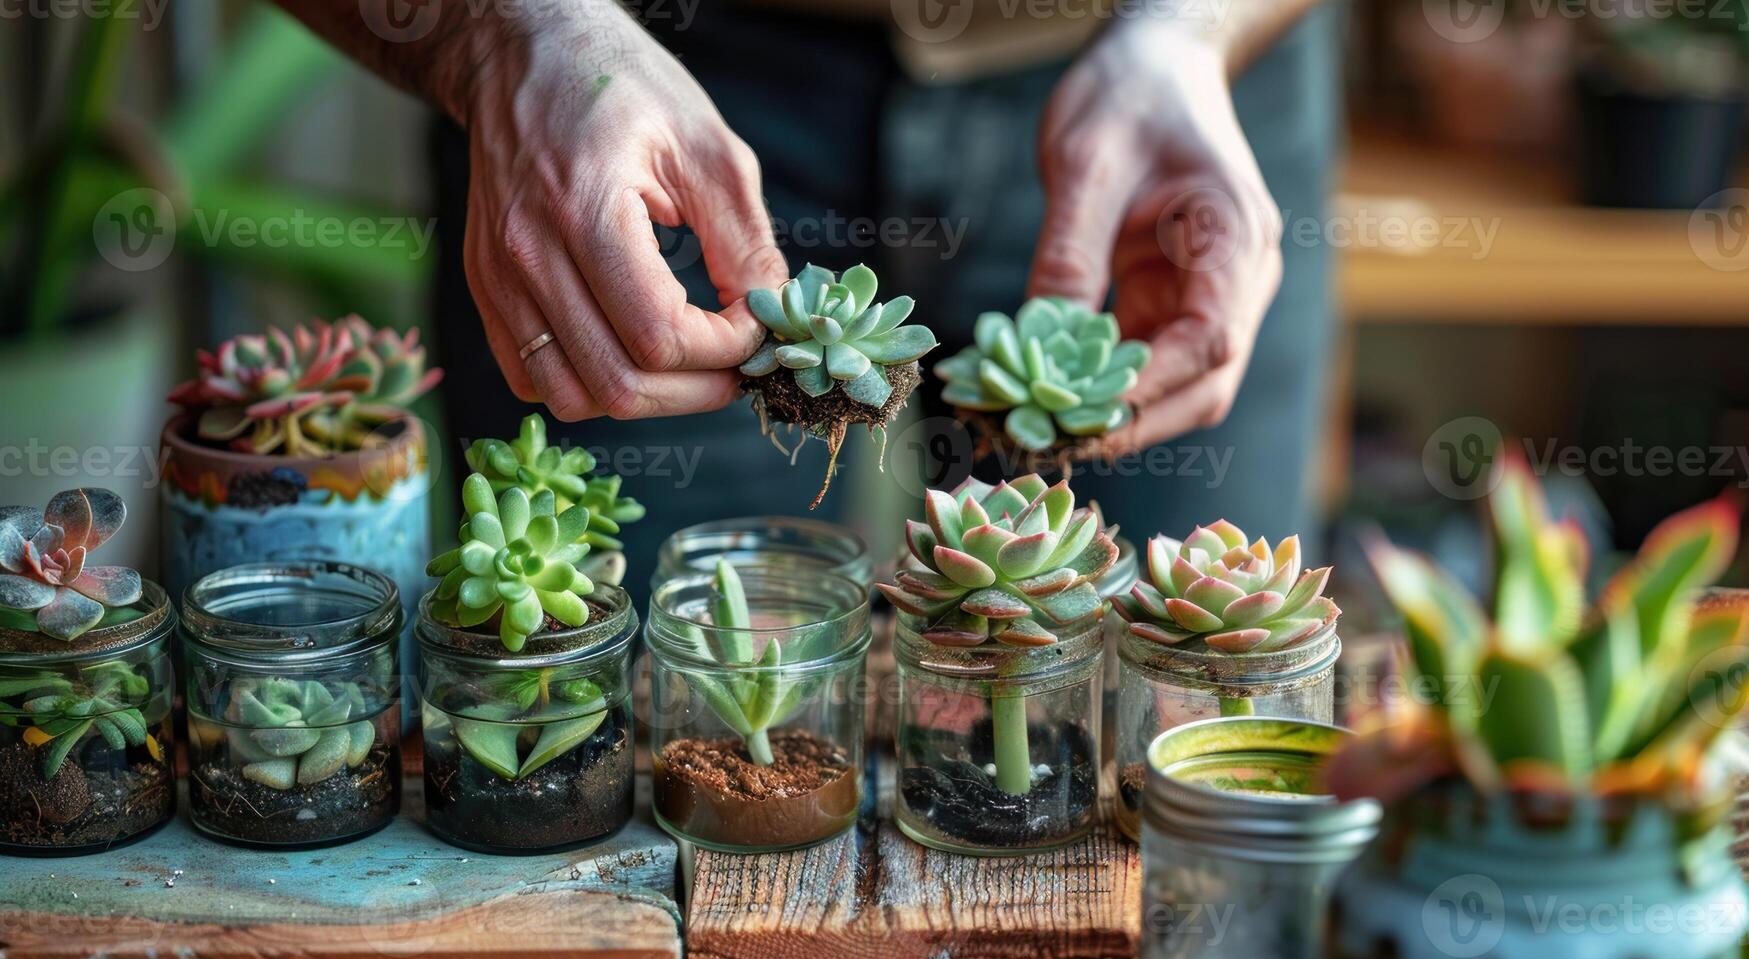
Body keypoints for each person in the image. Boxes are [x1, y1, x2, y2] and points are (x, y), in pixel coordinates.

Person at [275, 0, 1339, 600]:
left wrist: (1196, 32)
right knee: (648, 701)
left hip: (1170, 75)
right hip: (620, 79)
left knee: (1186, 738)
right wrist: (503, 34)